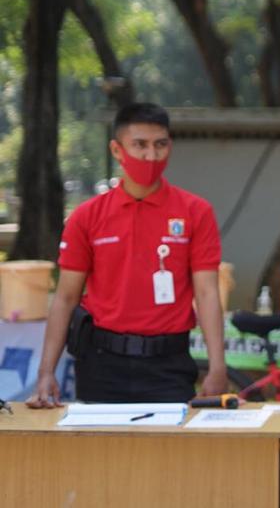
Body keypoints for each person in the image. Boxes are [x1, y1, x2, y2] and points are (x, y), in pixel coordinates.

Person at [27, 103, 227, 406]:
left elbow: (207, 291)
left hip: (169, 365)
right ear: (117, 150)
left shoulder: (195, 212)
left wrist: (218, 367)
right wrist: (45, 372)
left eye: (160, 145)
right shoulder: (87, 217)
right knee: (102, 451)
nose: (151, 156)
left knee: (170, 451)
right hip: (101, 363)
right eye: (140, 145)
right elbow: (66, 297)